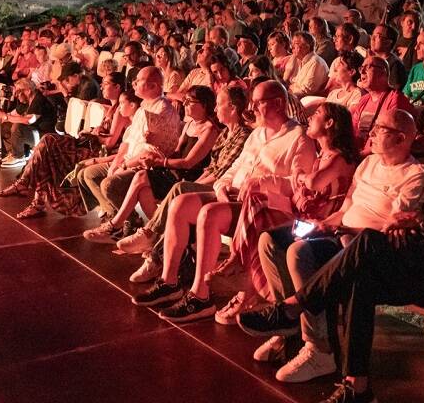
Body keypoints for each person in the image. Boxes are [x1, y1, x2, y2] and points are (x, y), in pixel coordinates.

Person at [235, 109, 424, 392]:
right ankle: (289, 331)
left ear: (401, 139)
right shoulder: (368, 164)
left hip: (363, 245)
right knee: (271, 241)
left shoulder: (415, 174)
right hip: (340, 231)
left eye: (380, 129)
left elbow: (391, 228)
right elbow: (348, 208)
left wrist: (344, 231)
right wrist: (324, 224)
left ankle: (319, 349)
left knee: (299, 253)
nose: (371, 133)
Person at [132, 81, 316, 323]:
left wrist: (263, 182)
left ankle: (200, 296)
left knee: (209, 214)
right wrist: (221, 187)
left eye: (258, 102)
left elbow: (300, 184)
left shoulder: (299, 138)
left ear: (278, 104)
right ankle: (169, 280)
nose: (252, 107)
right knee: (181, 203)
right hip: (233, 196)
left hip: (263, 206)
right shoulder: (257, 135)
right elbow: (234, 168)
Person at [212, 102, 358, 326]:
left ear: (329, 123)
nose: (309, 117)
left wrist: (299, 173)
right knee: (256, 197)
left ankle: (247, 282)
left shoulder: (339, 158)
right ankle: (237, 258)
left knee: (261, 213)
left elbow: (314, 182)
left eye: (317, 114)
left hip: (313, 224)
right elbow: (302, 187)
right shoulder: (322, 155)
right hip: (299, 212)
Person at [82, 85, 220, 242]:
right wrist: (155, 150)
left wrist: (160, 161)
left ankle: (116, 226)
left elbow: (189, 163)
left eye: (190, 101)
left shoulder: (209, 130)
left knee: (141, 177)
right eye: (185, 100)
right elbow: (177, 152)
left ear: (204, 105)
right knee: (143, 190)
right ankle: (156, 234)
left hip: (188, 178)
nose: (185, 104)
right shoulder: (189, 124)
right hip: (174, 171)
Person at [0, 73, 131, 219]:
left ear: (117, 87)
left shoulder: (120, 110)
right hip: (91, 146)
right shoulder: (112, 107)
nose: (102, 86)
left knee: (48, 142)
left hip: (98, 152)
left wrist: (93, 133)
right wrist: (92, 130)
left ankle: (27, 187)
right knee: (46, 146)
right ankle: (35, 199)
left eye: (105, 83)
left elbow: (110, 143)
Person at [77, 67, 182, 221]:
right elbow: (127, 142)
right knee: (88, 174)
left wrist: (124, 166)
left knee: (109, 184)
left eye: (138, 81)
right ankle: (122, 217)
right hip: (128, 159)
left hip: (146, 168)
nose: (133, 83)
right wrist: (116, 163)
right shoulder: (143, 107)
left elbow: (150, 153)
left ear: (153, 86)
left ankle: (125, 221)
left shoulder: (163, 111)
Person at [349, 55, 413, 156]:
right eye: (361, 68)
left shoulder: (395, 99)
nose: (362, 72)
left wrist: (358, 157)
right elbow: (352, 133)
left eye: (367, 67)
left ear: (382, 73)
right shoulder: (363, 100)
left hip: (379, 157)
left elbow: (388, 140)